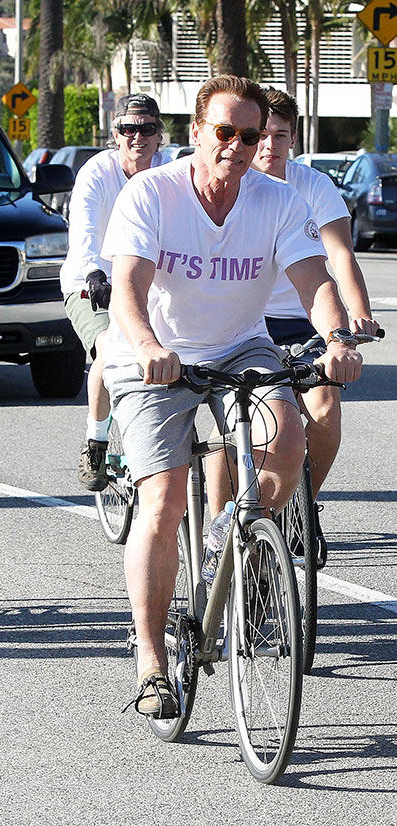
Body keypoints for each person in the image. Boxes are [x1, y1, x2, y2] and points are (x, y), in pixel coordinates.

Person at [100, 75, 362, 717]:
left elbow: (312, 280)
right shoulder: (151, 192)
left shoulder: (275, 199)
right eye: (226, 131)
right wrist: (147, 347)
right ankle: (153, 661)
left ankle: (230, 532)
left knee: (291, 437)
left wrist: (336, 338)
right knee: (161, 497)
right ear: (196, 133)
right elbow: (127, 291)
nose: (239, 145)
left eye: (250, 134)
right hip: (154, 354)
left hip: (242, 347)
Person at [254, 87, 379, 552]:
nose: (268, 145)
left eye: (279, 135)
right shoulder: (236, 182)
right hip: (248, 321)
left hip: (309, 318)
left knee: (325, 407)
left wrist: (358, 315)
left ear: (293, 138)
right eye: (261, 134)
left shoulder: (313, 185)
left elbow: (340, 254)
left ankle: (300, 507)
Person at [59, 94, 165, 491]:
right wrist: (93, 274)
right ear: (115, 134)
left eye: (148, 129)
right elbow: (83, 230)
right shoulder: (96, 172)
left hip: (148, 281)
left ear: (159, 136)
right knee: (110, 346)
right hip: (93, 283)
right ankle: (97, 440)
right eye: (128, 129)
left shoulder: (169, 172)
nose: (138, 137)